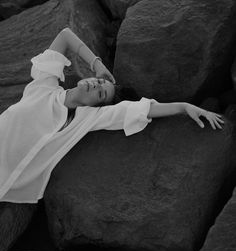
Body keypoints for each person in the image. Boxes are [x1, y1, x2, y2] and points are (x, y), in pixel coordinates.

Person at [0, 28, 224, 204]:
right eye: (99, 83)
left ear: (97, 105)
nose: (95, 86)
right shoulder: (43, 86)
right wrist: (97, 64)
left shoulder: (86, 118)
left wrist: (184, 106)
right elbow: (65, 36)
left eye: (100, 94)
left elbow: (140, 110)